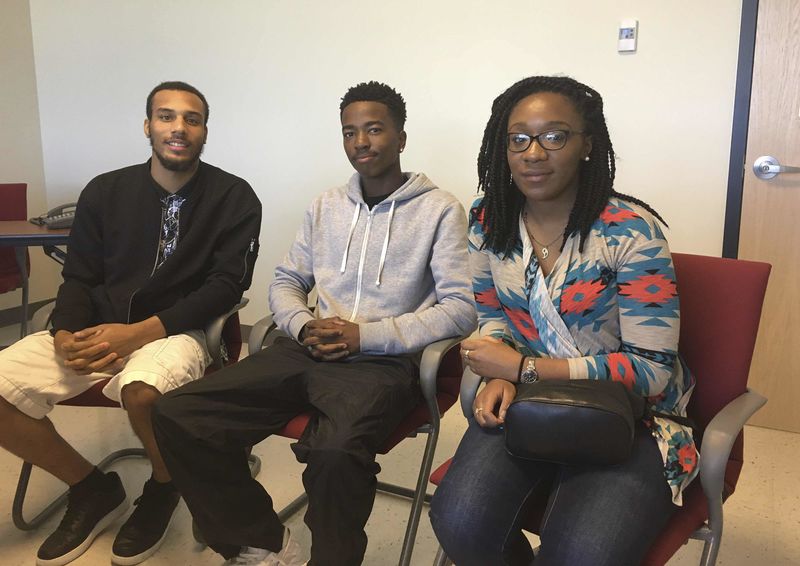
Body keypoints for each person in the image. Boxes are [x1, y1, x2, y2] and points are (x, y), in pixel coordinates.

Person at [152, 81, 476, 566]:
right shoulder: (326, 205)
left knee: (335, 453)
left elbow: (460, 307)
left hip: (381, 362)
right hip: (303, 347)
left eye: (374, 129)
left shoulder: (439, 209)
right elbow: (285, 279)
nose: (361, 142)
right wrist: (303, 325)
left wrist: (366, 335)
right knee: (177, 414)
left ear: (401, 138)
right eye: (350, 132)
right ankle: (262, 544)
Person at [429, 76, 699, 566]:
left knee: (583, 554)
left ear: (587, 145)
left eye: (554, 136)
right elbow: (493, 315)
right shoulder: (489, 219)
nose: (534, 152)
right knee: (458, 521)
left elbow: (652, 368)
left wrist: (522, 370)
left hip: (632, 417)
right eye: (518, 139)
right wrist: (498, 371)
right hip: (529, 402)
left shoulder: (630, 233)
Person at [0, 81, 261, 566]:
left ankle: (163, 488)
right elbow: (79, 276)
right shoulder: (104, 191)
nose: (178, 128)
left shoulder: (234, 197)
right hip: (95, 328)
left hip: (177, 332)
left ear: (205, 131)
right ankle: (91, 488)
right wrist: (63, 334)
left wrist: (139, 333)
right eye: (166, 116)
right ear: (148, 126)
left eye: (191, 119)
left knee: (142, 391)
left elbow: (226, 287)